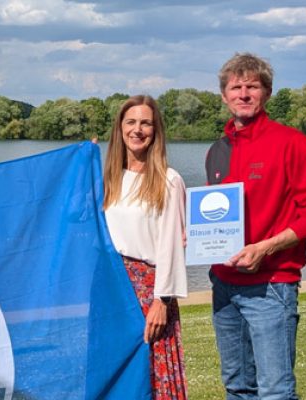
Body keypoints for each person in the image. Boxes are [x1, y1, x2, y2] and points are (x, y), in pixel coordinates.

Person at [206, 53, 306, 400]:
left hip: (271, 286)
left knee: (275, 391)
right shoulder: (217, 150)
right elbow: (213, 217)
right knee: (237, 387)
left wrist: (265, 248)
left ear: (267, 93)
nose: (244, 94)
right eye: (236, 87)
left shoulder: (292, 143)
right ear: (224, 95)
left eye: (253, 86)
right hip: (224, 285)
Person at [103, 95, 188, 399]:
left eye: (146, 123)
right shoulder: (106, 179)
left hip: (149, 293)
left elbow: (172, 245)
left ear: (155, 130)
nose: (137, 129)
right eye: (131, 122)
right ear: (120, 128)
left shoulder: (168, 180)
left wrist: (162, 301)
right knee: (116, 370)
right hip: (112, 290)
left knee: (151, 371)